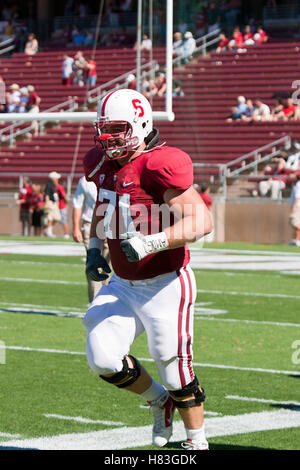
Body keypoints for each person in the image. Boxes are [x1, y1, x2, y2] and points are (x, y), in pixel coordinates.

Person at [82, 89, 212, 450]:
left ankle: (196, 441)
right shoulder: (100, 163)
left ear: (141, 124)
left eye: (117, 129)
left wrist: (149, 242)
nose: (108, 139)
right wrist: (94, 249)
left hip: (166, 283)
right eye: (104, 130)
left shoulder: (159, 164)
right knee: (103, 357)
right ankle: (159, 401)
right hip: (123, 283)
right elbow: (103, 209)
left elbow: (201, 220)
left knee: (174, 367)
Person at [72, 176, 111, 302]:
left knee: (108, 265)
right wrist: (76, 228)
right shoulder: (85, 181)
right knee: (93, 264)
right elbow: (77, 204)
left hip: (112, 225)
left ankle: (106, 301)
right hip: (90, 225)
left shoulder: (112, 174)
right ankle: (95, 303)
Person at [44, 171, 62, 237]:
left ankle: (47, 229)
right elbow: (47, 195)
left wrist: (57, 202)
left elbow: (56, 195)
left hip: (54, 203)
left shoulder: (55, 185)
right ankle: (49, 231)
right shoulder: (49, 185)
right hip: (50, 203)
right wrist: (47, 204)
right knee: (50, 218)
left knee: (57, 218)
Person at [289, 172, 300, 246]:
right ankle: (297, 240)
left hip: (297, 206)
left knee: (295, 223)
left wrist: (293, 206)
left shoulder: (298, 184)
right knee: (294, 223)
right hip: (297, 206)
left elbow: (297, 196)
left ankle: (297, 240)